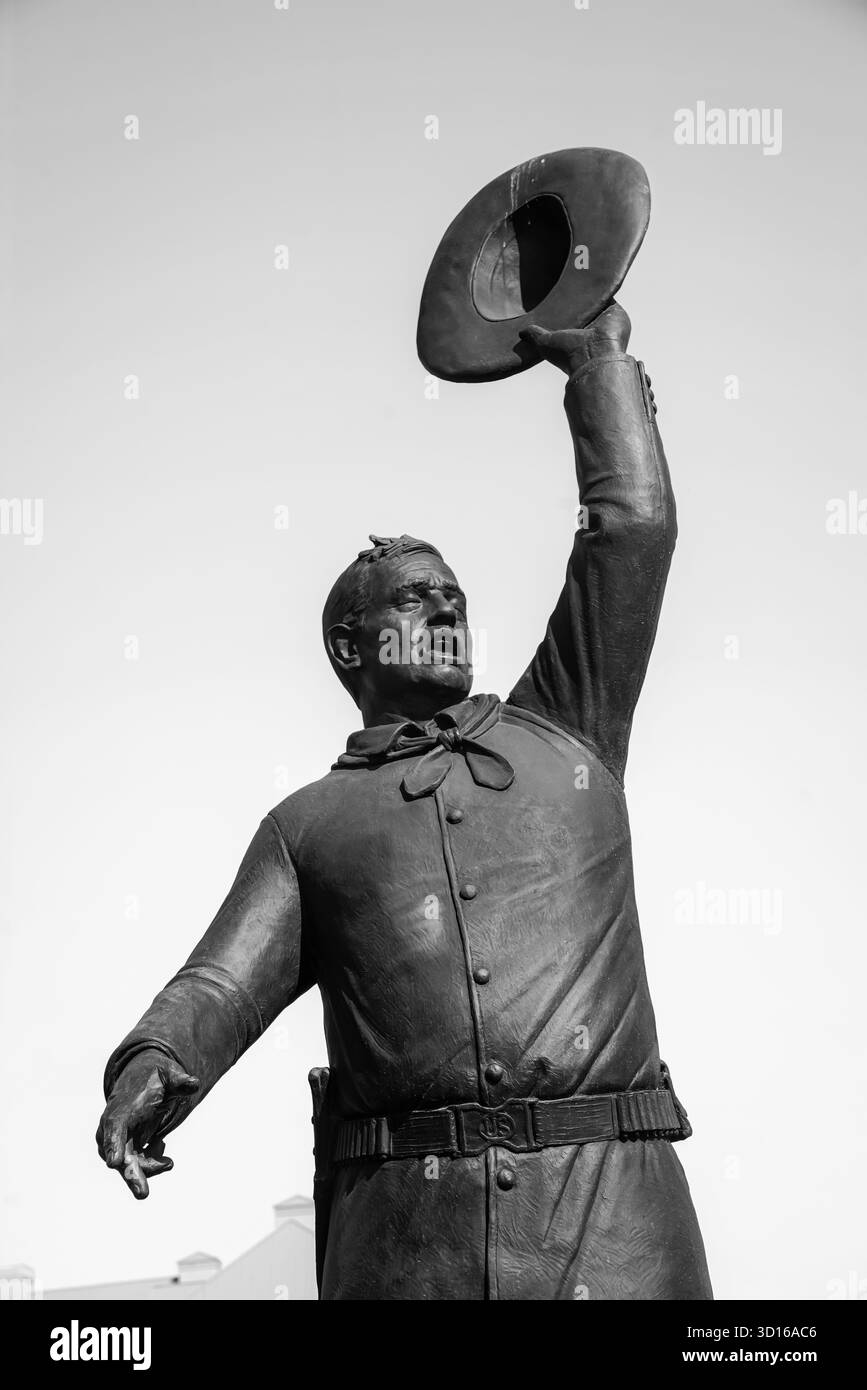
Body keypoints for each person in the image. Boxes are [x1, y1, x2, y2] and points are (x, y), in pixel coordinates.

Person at [96, 303, 712, 1300]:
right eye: (414, 595)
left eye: (454, 592)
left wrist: (598, 364)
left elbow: (632, 528)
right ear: (350, 644)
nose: (446, 605)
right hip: (405, 1255)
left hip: (617, 1233)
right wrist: (155, 1060)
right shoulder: (310, 828)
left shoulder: (568, 728)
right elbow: (220, 984)